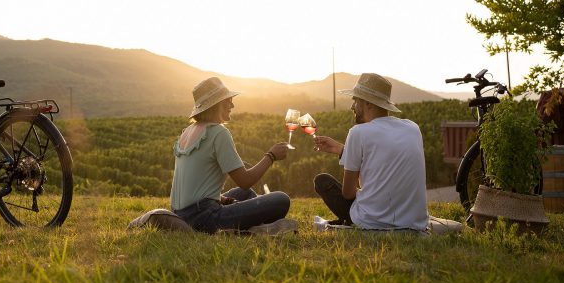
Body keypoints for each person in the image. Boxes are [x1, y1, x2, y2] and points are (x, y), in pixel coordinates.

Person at [170, 76, 294, 233]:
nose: (232, 105)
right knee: (281, 200)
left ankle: (255, 222)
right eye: (227, 101)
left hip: (179, 215)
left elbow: (192, 184)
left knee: (245, 194)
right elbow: (245, 180)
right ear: (215, 105)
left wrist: (220, 199)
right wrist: (271, 156)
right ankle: (258, 225)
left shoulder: (187, 132)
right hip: (204, 218)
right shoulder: (218, 132)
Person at [313, 72, 429, 231]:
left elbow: (348, 194)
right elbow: (383, 157)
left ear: (368, 103)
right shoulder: (412, 128)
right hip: (414, 222)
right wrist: (342, 150)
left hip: (374, 222)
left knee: (322, 181)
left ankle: (344, 223)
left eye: (355, 100)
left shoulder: (358, 132)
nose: (352, 106)